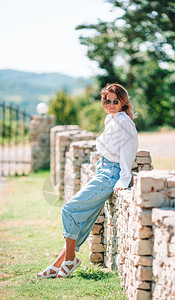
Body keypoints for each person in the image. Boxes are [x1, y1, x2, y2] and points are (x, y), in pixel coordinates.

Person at [36, 83, 138, 279]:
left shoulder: (124, 122)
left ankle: (70, 260)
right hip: (103, 171)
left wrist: (124, 178)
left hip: (111, 174)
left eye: (115, 101)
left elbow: (128, 151)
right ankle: (57, 264)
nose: (110, 104)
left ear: (123, 102)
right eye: (106, 100)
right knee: (81, 221)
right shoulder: (112, 119)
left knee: (69, 209)